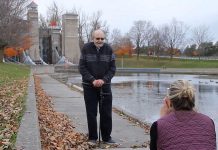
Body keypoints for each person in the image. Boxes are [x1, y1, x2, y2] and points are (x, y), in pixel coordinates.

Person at [150, 80, 216, 150]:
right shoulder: (209, 122)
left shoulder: (158, 125)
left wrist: (162, 120)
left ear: (169, 102)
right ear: (192, 99)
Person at [79, 29, 116, 144]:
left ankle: (106, 137)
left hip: (105, 86)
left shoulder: (109, 49)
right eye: (97, 38)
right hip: (89, 86)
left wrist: (103, 80)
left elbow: (113, 69)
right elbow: (82, 67)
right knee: (91, 112)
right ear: (93, 38)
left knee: (106, 112)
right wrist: (92, 80)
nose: (100, 41)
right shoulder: (86, 48)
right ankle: (93, 137)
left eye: (102, 39)